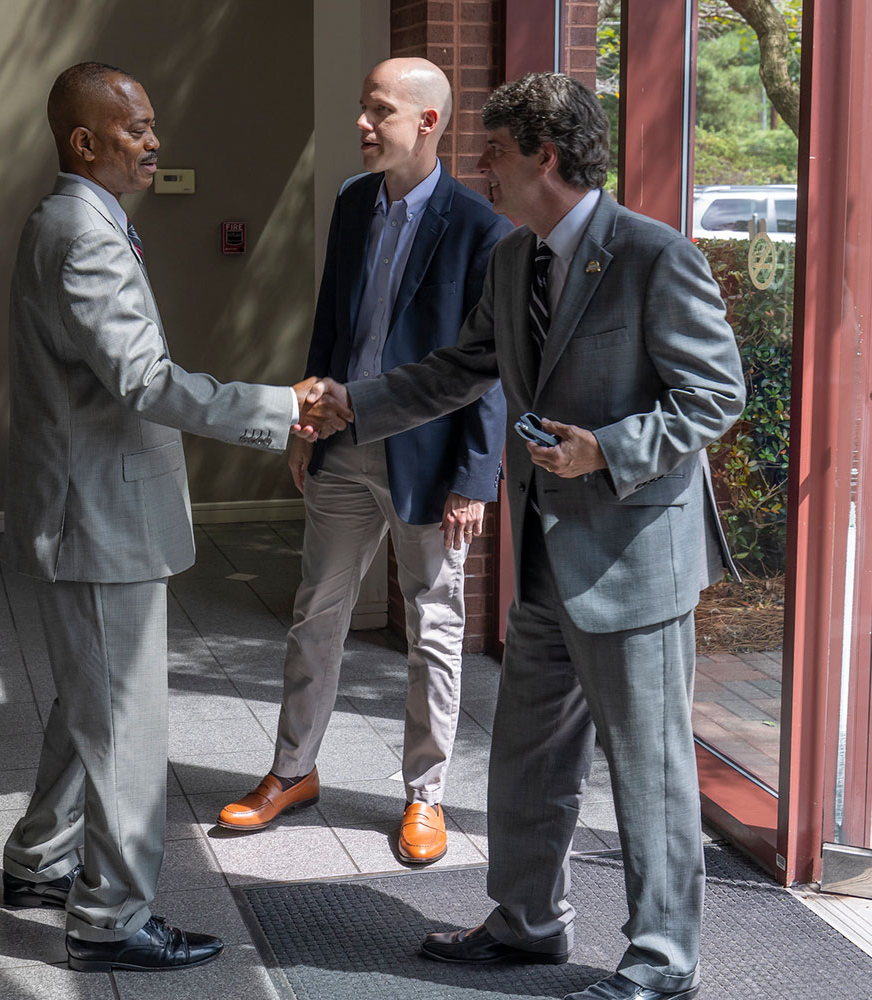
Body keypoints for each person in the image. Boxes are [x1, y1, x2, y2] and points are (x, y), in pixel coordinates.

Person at [318, 73, 745, 1000]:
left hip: (635, 560)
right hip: (549, 559)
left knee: (650, 771)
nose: (482, 171)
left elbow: (715, 394)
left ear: (544, 158)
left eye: (497, 154)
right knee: (524, 757)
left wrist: (610, 449)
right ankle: (526, 924)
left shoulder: (652, 255)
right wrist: (354, 403)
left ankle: (663, 960)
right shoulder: (516, 260)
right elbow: (461, 368)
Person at [0, 61, 349, 974]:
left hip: (90, 507)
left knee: (89, 697)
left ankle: (40, 860)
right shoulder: (86, 234)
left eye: (153, 127)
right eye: (136, 128)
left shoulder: (75, 221)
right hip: (101, 517)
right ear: (84, 142)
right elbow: (146, 383)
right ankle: (109, 919)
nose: (155, 143)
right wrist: (282, 407)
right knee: (123, 723)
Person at [215, 58, 510, 864]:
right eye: (362, 108)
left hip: (430, 463)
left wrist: (477, 477)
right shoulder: (352, 202)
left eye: (379, 110)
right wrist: (302, 423)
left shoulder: (483, 229)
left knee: (434, 629)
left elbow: (489, 368)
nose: (362, 124)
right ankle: (291, 771)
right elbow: (330, 326)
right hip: (342, 448)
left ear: (429, 122)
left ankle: (427, 798)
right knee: (316, 615)